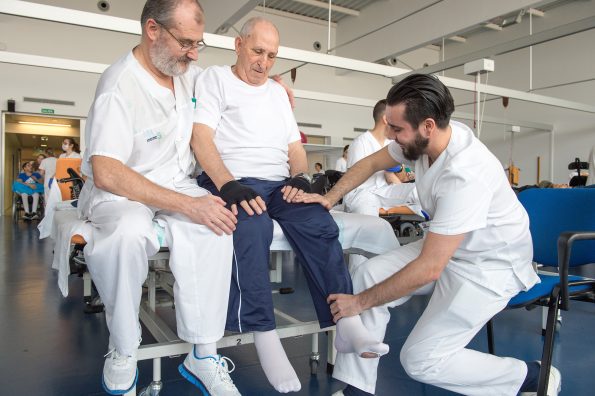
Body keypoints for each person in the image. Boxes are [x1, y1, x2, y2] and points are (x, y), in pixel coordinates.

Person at [297, 74, 561, 396]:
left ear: (427, 126)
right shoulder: (430, 139)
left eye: (397, 130)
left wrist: (358, 304)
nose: (391, 137)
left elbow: (430, 267)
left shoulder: (465, 173)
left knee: (420, 360)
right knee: (366, 275)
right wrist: (329, 197)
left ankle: (531, 377)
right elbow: (371, 162)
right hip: (449, 247)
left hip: (488, 266)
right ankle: (358, 389)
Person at [192, 16, 387, 394]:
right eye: (257, 51)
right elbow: (201, 139)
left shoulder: (278, 93)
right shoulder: (214, 79)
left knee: (318, 220)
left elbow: (295, 148)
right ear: (238, 45)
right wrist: (227, 185)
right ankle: (264, 332)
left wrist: (300, 178)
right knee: (253, 225)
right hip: (233, 180)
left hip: (278, 182)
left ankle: (345, 324)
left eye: (271, 56)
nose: (263, 62)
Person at [77, 1, 241, 394]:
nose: (194, 52)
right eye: (186, 42)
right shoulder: (118, 86)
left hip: (175, 181)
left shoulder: (186, 72)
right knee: (128, 234)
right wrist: (186, 204)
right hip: (121, 190)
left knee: (217, 223)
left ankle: (203, 352)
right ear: (153, 30)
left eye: (198, 43)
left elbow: (229, 80)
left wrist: (268, 88)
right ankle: (123, 347)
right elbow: (107, 171)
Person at [344, 99, 419, 217]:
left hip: (384, 191)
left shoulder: (392, 143)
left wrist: (397, 175)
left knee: (419, 192)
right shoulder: (360, 143)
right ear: (386, 119)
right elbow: (354, 177)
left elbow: (398, 176)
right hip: (361, 193)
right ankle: (382, 214)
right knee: (367, 208)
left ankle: (390, 210)